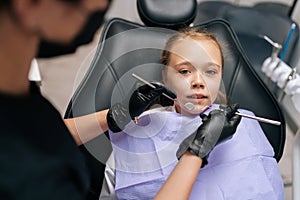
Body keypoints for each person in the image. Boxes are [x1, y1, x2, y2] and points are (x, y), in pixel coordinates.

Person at [99, 27, 284, 199]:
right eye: (185, 71)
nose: (198, 81)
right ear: (165, 77)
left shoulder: (245, 126)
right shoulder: (139, 129)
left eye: (210, 71)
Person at [0, 0, 110, 199]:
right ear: (29, 4)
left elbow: (36, 135)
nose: (102, 6)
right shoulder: (34, 181)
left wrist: (109, 118)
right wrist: (187, 156)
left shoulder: (14, 90)